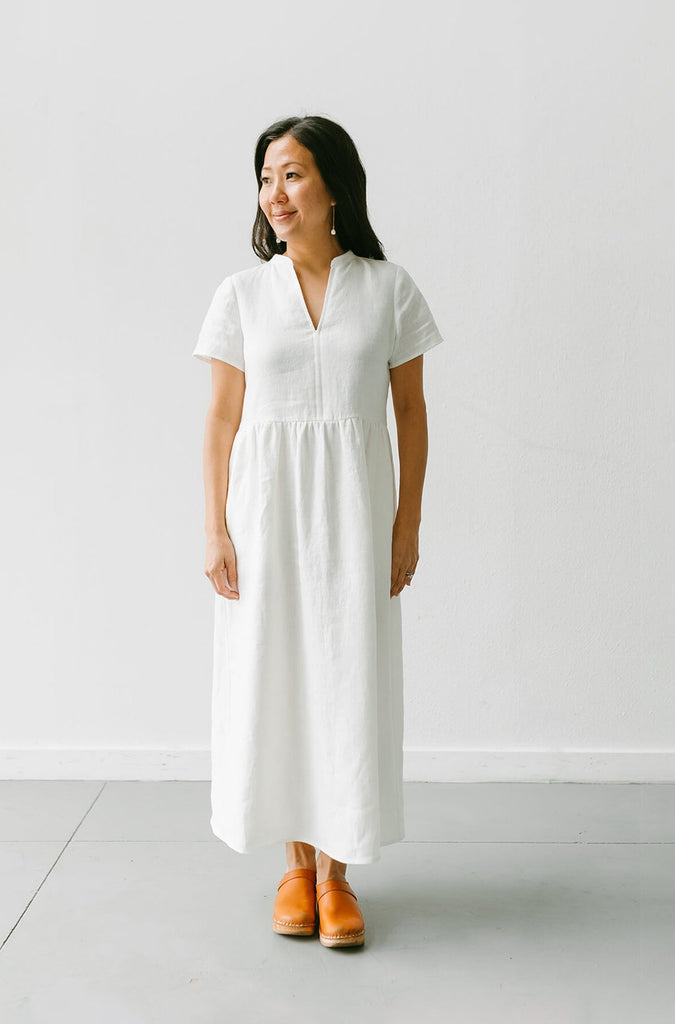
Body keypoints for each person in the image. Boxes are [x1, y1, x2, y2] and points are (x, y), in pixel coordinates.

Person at [193, 115, 445, 949]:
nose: (275, 193)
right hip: (262, 519)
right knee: (276, 682)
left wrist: (406, 524)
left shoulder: (386, 287)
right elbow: (222, 419)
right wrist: (214, 530)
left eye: (293, 174)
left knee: (346, 679)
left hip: (354, 516)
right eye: (266, 177)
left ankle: (336, 876)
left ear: (334, 184)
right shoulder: (240, 294)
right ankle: (294, 869)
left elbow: (408, 412)